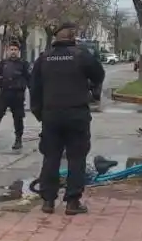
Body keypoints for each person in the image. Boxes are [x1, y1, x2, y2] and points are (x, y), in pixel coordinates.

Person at [30, 22, 105, 215]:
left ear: (56, 37)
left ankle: (48, 201)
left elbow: (34, 88)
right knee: (76, 158)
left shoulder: (44, 58)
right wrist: (92, 91)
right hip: (76, 114)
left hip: (51, 115)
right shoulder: (81, 56)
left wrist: (40, 113)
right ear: (73, 37)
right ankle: (72, 201)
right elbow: (99, 74)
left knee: (51, 157)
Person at [0, 40, 30, 150]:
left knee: (18, 118)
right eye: (11, 49)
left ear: (18, 51)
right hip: (4, 94)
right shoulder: (2, 63)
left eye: (15, 50)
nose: (13, 52)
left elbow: (30, 79)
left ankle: (18, 139)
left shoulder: (23, 64)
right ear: (8, 51)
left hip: (18, 95)